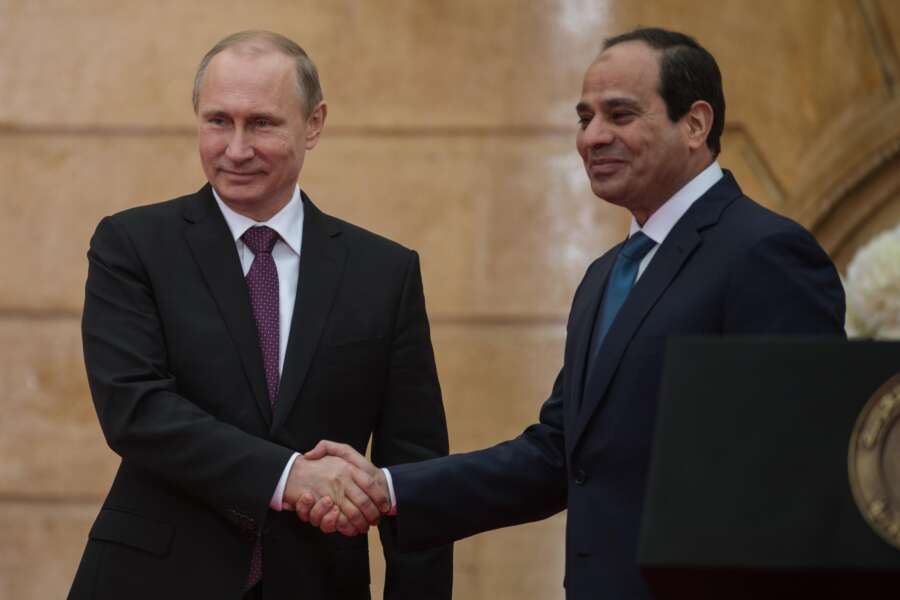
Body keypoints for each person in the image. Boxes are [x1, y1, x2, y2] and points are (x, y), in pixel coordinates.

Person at [295, 27, 847, 600]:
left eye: (621, 114)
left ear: (695, 123)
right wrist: (388, 488)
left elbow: (798, 474)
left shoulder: (766, 254)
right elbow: (558, 454)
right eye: (585, 118)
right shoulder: (607, 275)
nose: (593, 138)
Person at [68, 30, 452, 600]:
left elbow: (414, 464)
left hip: (319, 581)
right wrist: (290, 475)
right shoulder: (133, 245)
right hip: (153, 578)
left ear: (314, 124)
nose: (236, 148)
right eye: (218, 120)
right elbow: (135, 409)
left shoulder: (385, 272)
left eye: (262, 123)